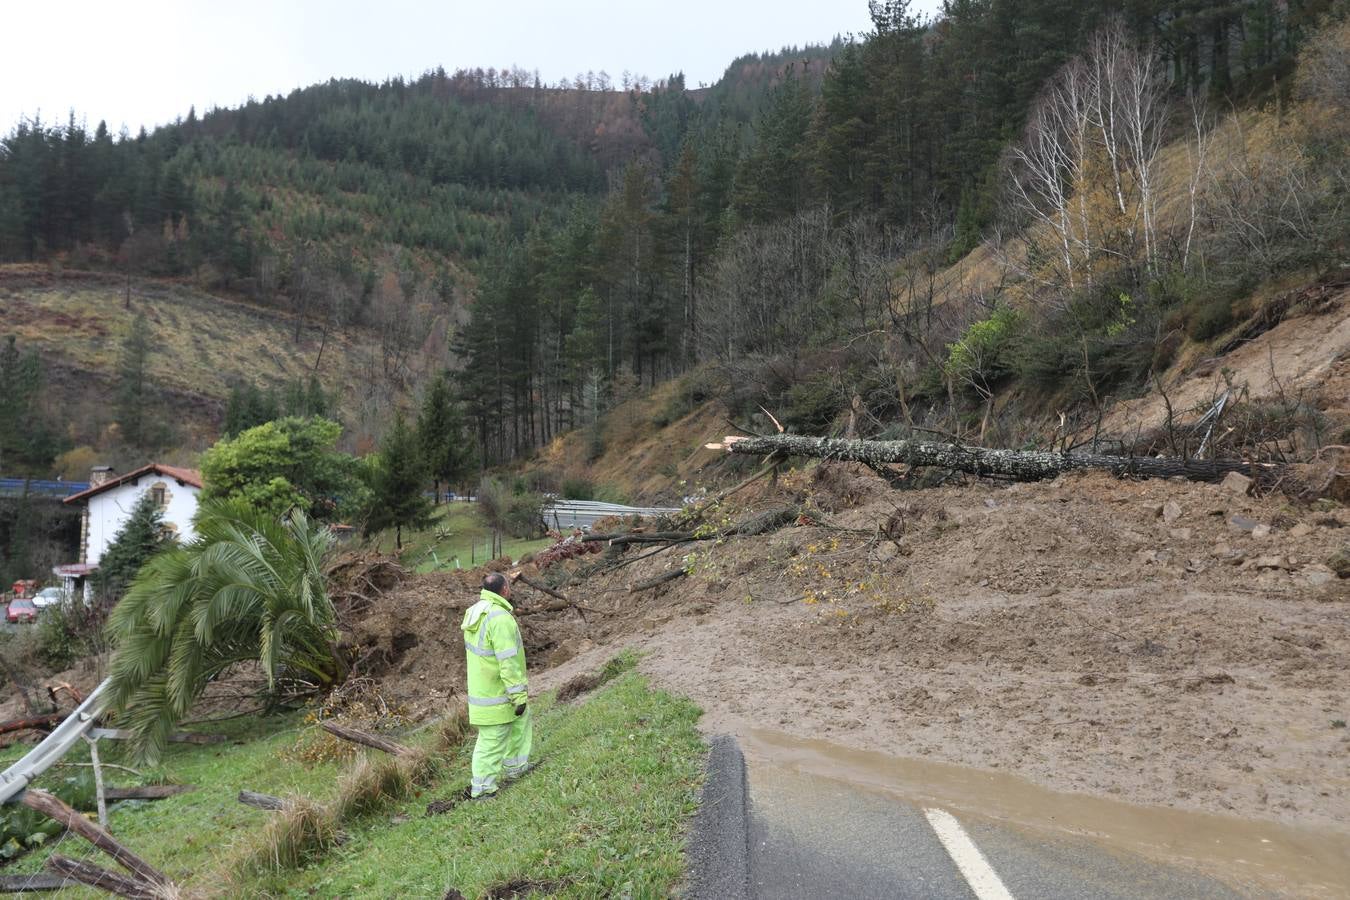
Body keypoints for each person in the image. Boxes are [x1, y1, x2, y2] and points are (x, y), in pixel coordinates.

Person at [462, 571, 531, 798]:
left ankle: (516, 768)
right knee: (491, 743)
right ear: (505, 590)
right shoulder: (499, 618)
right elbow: (508, 662)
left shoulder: (475, 613)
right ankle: (481, 790)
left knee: (517, 729)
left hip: (484, 692)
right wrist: (518, 695)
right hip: (500, 695)